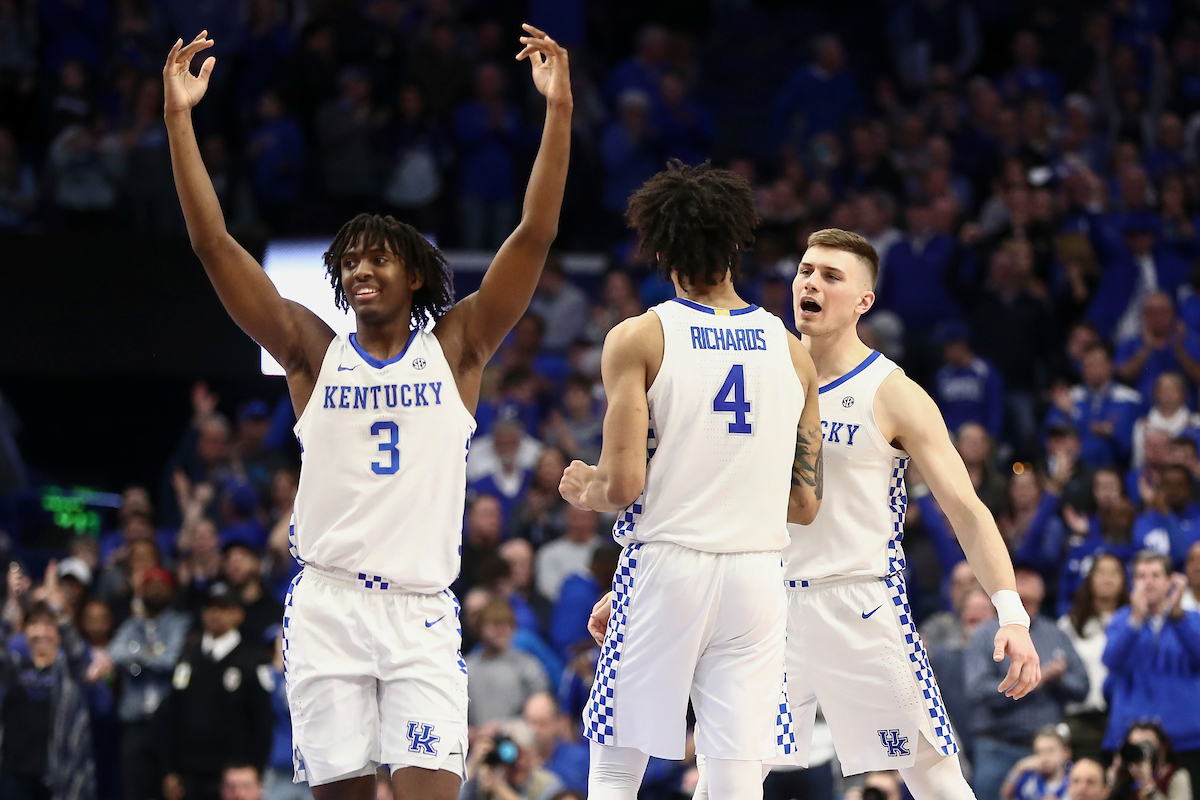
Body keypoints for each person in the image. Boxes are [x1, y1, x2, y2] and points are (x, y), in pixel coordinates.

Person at [163, 24, 572, 800]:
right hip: (327, 607)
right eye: (349, 261)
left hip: (419, 610)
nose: (359, 270)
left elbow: (536, 233)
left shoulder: (457, 349)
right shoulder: (310, 353)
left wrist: (558, 111)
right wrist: (180, 120)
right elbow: (214, 244)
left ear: (415, 274)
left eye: (377, 257)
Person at [694, 228, 1040, 800]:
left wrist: (1012, 613)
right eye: (806, 271)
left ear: (863, 302)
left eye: (831, 276)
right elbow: (707, 492)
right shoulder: (756, 376)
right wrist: (636, 582)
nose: (811, 283)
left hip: (859, 602)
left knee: (934, 779)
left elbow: (967, 509)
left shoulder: (892, 391)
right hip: (765, 603)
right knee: (721, 779)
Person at [559, 160, 823, 800]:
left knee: (618, 757)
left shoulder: (640, 337)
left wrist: (583, 487)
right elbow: (806, 504)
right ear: (737, 244)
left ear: (660, 249)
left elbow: (621, 486)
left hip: (670, 563)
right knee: (735, 773)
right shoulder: (792, 350)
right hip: (758, 575)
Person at [967, 569, 1087, 800]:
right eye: (1018, 581)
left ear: (1042, 593)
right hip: (998, 747)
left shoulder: (1056, 634)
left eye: (1030, 581)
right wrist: (1035, 680)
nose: (1024, 588)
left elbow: (1082, 687)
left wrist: (1060, 679)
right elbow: (978, 691)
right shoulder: (985, 635)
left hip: (1048, 752)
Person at [156, 582, 273, 800]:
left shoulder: (251, 661)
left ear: (238, 614)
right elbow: (171, 715)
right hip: (188, 774)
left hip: (235, 777)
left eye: (223, 607)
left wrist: (256, 769)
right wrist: (169, 770)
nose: (214, 614)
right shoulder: (188, 658)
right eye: (210, 608)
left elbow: (263, 722)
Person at [1102, 552, 1200, 778]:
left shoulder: (1191, 619)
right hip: (1129, 737)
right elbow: (1112, 662)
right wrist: (1135, 621)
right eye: (1141, 576)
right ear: (1132, 583)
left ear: (1170, 581)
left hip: (1186, 739)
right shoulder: (1121, 620)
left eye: (1156, 575)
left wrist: (1177, 617)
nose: (1148, 581)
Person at [109, 566, 191, 800]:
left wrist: (136, 659)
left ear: (171, 591)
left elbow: (171, 660)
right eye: (150, 587)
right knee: (134, 789)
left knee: (168, 788)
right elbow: (115, 653)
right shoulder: (132, 625)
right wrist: (151, 654)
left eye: (161, 587)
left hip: (169, 722)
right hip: (135, 721)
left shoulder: (180, 623)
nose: (155, 592)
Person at [1057, 554, 1128, 761]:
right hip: (1081, 718)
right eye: (1101, 572)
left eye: (1114, 572)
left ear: (1124, 580)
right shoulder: (1069, 624)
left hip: (1121, 717)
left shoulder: (1134, 620)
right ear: (1089, 579)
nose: (1108, 579)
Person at [463, 600, 550, 727]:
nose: (503, 631)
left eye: (507, 625)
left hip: (519, 740)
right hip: (473, 741)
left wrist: (503, 727)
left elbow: (541, 713)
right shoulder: (465, 668)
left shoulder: (527, 665)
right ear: (480, 627)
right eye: (495, 625)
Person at [1108, 722, 1193, 800]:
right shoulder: (1126, 778)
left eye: (1147, 744)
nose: (1140, 750)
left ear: (1163, 748)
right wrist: (1115, 771)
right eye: (1135, 746)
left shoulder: (1175, 777)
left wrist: (1149, 787)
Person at [523, 693, 589, 793]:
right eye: (531, 722)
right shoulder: (518, 762)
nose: (535, 730)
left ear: (557, 722)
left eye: (542, 723)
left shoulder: (580, 759)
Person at [999, 728, 1072, 800]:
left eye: (1050, 751)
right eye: (1039, 752)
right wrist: (1018, 768)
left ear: (1066, 753)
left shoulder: (1075, 780)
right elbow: (1006, 796)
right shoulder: (1029, 780)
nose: (1045, 758)